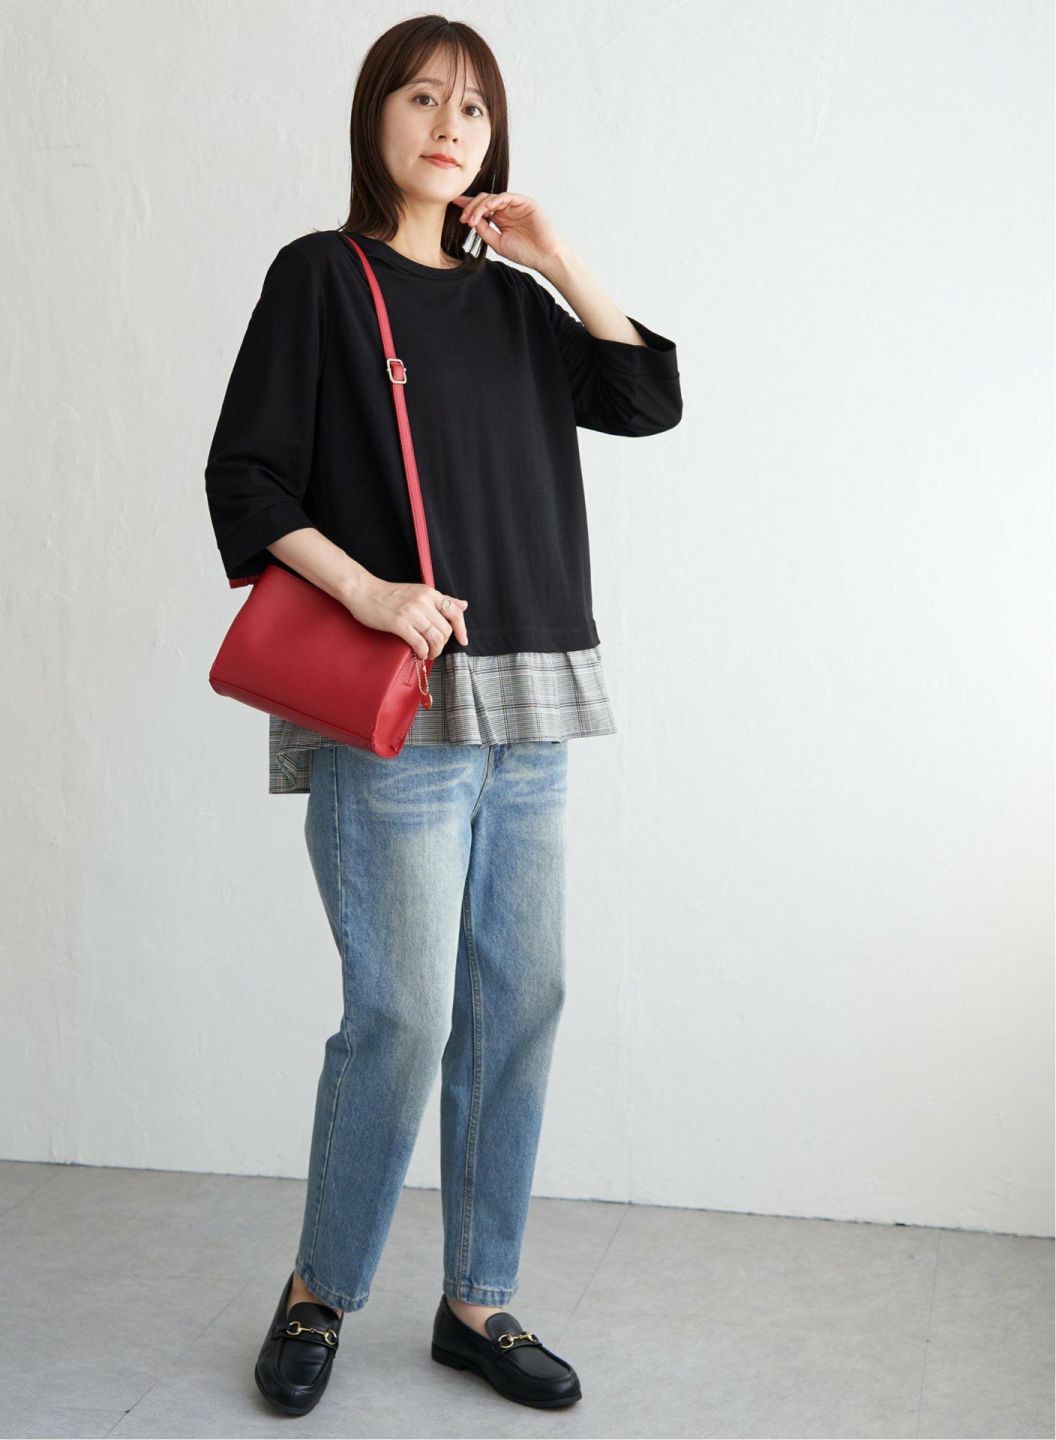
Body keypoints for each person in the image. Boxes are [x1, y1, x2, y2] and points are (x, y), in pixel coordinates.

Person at [203, 14, 682, 1417]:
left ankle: (478, 1302)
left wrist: (555, 256)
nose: (449, 125)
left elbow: (645, 398)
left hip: (531, 705)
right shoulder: (322, 278)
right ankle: (320, 1289)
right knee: (402, 1016)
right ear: (376, 118)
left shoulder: (520, 307)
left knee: (519, 1004)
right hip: (399, 710)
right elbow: (245, 478)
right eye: (422, 98)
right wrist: (369, 591)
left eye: (473, 107)